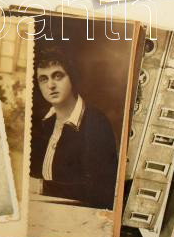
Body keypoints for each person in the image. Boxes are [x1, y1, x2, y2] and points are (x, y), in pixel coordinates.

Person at [29, 46, 118, 209]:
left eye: (58, 76)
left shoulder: (95, 123)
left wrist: (41, 186)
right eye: (43, 79)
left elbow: (101, 190)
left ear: (72, 77)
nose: (51, 85)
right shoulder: (45, 123)